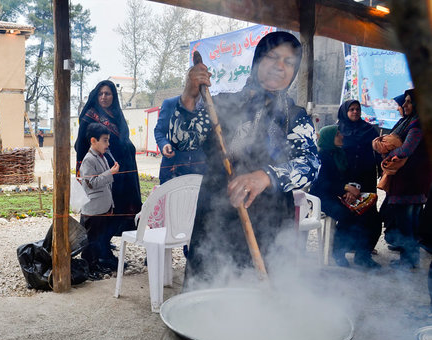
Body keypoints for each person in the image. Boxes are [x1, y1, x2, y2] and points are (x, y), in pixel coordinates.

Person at [167, 31, 320, 289]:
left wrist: (266, 176)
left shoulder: (295, 117)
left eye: (289, 62)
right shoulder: (222, 104)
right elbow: (182, 140)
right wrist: (188, 97)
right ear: (258, 60)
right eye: (272, 57)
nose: (279, 67)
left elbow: (311, 165)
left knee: (260, 307)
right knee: (208, 297)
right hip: (216, 218)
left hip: (269, 225)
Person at [75, 80, 142, 238]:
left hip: (121, 169)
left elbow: (124, 139)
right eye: (100, 94)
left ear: (114, 96)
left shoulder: (117, 114)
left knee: (117, 204)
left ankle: (106, 240)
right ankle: (96, 247)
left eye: (107, 94)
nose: (104, 97)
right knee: (99, 205)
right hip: (100, 167)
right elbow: (81, 144)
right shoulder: (90, 116)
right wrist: (82, 169)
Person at [374, 89, 432, 270]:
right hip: (410, 180)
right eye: (405, 102)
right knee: (410, 221)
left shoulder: (417, 125)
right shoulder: (409, 121)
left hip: (410, 181)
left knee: (407, 222)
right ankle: (410, 259)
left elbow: (406, 150)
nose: (404, 105)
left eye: (408, 102)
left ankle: (408, 261)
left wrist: (388, 153)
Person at [310, 126, 381, 268]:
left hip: (338, 194)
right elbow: (323, 183)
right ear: (329, 138)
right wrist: (345, 188)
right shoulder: (322, 156)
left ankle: (362, 255)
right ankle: (338, 252)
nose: (341, 136)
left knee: (370, 216)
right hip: (322, 197)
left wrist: (348, 190)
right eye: (337, 134)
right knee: (346, 214)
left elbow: (347, 178)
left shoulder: (339, 154)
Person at [79, 123, 120, 273]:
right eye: (104, 140)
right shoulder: (88, 160)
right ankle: (88, 268)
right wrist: (111, 173)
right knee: (90, 241)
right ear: (93, 141)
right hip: (92, 210)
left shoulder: (100, 157)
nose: (108, 144)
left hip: (101, 208)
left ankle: (95, 265)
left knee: (97, 240)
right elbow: (91, 183)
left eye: (108, 140)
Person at [154, 95, 206, 184]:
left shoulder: (211, 107)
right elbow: (159, 131)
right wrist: (164, 144)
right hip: (172, 170)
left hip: (202, 173)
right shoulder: (170, 103)